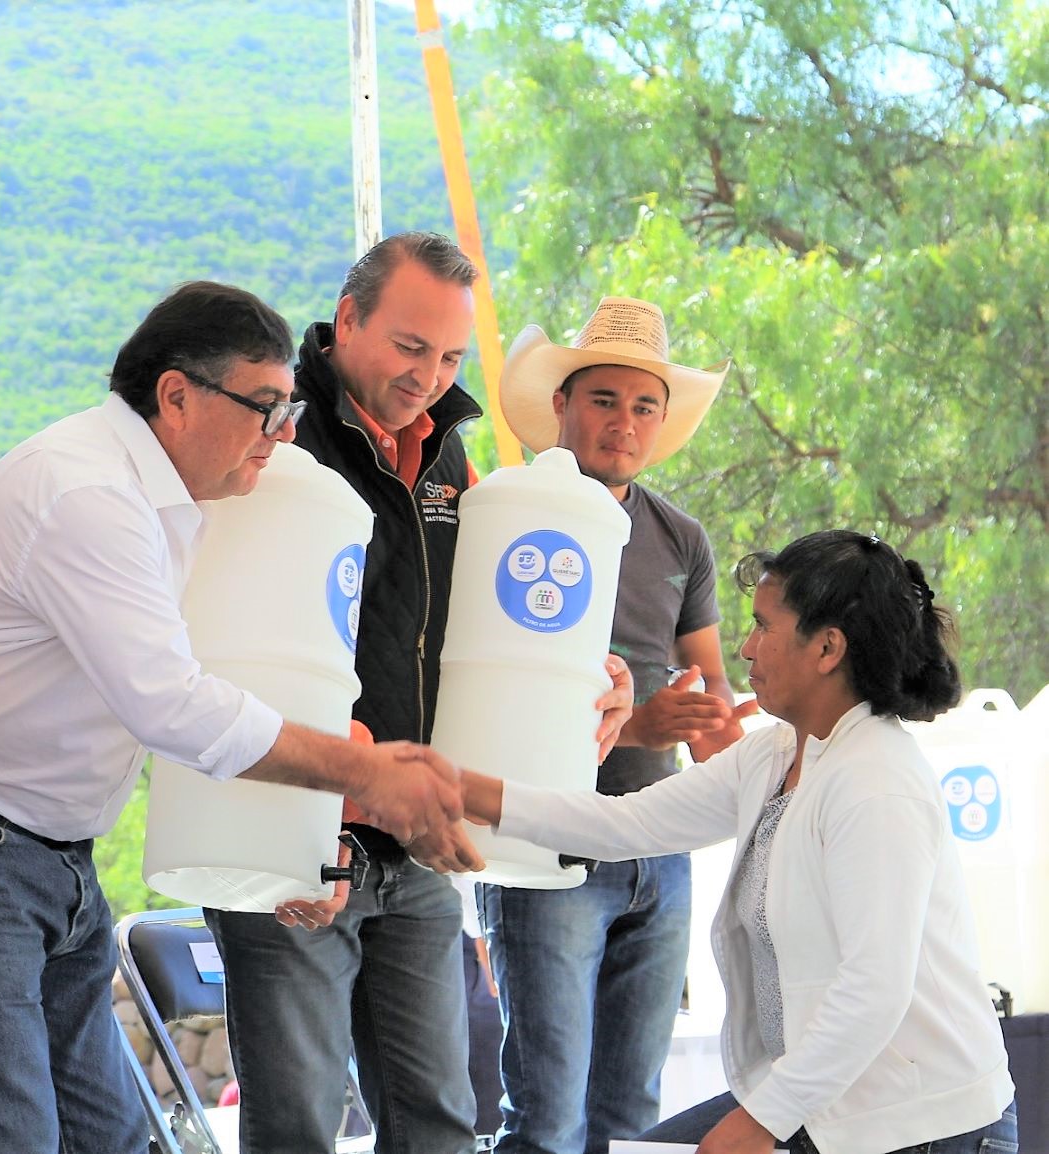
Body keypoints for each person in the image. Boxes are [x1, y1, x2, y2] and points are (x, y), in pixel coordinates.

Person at [0, 279, 483, 1154]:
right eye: (266, 407)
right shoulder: (89, 493)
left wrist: (294, 845)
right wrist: (365, 779)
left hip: (53, 856)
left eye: (289, 408)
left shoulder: (175, 500)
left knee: (110, 1139)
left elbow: (229, 683)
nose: (284, 433)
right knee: (5, 1138)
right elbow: (173, 705)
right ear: (177, 395)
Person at [205, 234, 635, 1154]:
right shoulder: (270, 432)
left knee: (440, 1122)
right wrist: (296, 815)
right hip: (297, 831)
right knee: (296, 1127)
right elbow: (217, 634)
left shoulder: (453, 459)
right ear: (347, 319)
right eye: (410, 348)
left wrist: (599, 681)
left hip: (421, 842)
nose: (430, 377)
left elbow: (495, 632)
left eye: (449, 357)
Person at [461, 529, 1017, 1154]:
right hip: (830, 1104)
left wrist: (761, 1121)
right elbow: (625, 824)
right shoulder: (777, 753)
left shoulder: (877, 782)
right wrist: (458, 789)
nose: (746, 649)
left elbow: (874, 988)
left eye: (763, 627)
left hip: (927, 1125)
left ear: (828, 648)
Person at [476, 296, 753, 1153]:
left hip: (658, 851)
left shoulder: (683, 538)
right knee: (548, 1120)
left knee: (634, 1119)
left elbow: (712, 697)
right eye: (604, 399)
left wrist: (736, 742)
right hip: (545, 846)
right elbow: (492, 705)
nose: (623, 423)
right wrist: (641, 728)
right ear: (560, 405)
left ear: (661, 423)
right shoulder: (508, 515)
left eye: (644, 407)